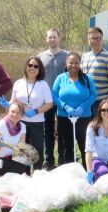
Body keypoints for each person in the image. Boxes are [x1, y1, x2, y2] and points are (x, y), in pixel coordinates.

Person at [52, 52, 96, 169]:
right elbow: (55, 94)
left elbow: (93, 95)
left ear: (80, 64)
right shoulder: (60, 78)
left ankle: (87, 171)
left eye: (76, 63)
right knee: (68, 146)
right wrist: (65, 107)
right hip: (64, 117)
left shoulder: (87, 79)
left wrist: (82, 106)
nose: (73, 65)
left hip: (84, 117)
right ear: (66, 64)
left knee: (84, 145)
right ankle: (70, 171)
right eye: (71, 63)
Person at [10, 56, 53, 170]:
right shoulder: (18, 83)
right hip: (21, 121)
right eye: (30, 65)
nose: (32, 68)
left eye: (35, 66)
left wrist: (36, 111)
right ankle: (23, 174)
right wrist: (7, 104)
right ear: (26, 67)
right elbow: (13, 101)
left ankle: (37, 175)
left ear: (39, 69)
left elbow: (49, 103)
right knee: (22, 150)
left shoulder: (42, 84)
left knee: (37, 150)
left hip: (37, 123)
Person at [37, 28, 68, 169]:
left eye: (54, 37)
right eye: (49, 37)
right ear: (46, 39)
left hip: (62, 100)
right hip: (46, 101)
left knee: (62, 131)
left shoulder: (66, 56)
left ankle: (63, 161)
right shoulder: (40, 57)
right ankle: (49, 161)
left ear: (59, 38)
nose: (52, 40)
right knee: (47, 131)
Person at [0, 102, 31, 182]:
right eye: (12, 112)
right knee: (9, 165)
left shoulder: (23, 127)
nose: (15, 115)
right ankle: (0, 182)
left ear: (22, 115)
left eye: (18, 113)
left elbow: (21, 146)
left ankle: (11, 184)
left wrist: (21, 151)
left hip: (10, 159)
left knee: (24, 163)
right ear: (8, 112)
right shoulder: (0, 125)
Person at [81, 27, 108, 117]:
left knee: (100, 128)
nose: (96, 41)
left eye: (99, 38)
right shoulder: (84, 56)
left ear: (102, 39)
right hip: (86, 100)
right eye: (93, 38)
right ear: (88, 40)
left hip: (101, 101)